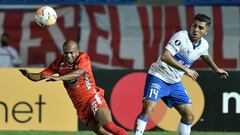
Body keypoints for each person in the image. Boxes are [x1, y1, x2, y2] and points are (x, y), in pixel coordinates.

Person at [134, 13, 229, 135]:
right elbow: (165, 56)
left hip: (174, 83)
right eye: (194, 25)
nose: (196, 29)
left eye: (200, 28)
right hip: (159, 76)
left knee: (189, 116)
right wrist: (186, 69)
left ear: (206, 31)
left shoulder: (204, 44)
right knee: (148, 109)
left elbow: (205, 56)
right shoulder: (181, 37)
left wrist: (216, 69)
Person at [19, 40, 128, 135]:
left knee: (109, 126)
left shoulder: (83, 57)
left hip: (93, 98)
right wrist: (29, 75)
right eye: (66, 53)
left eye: (71, 53)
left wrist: (60, 78)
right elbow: (40, 76)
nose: (68, 55)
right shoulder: (59, 63)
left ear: (77, 52)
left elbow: (79, 73)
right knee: (104, 134)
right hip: (80, 107)